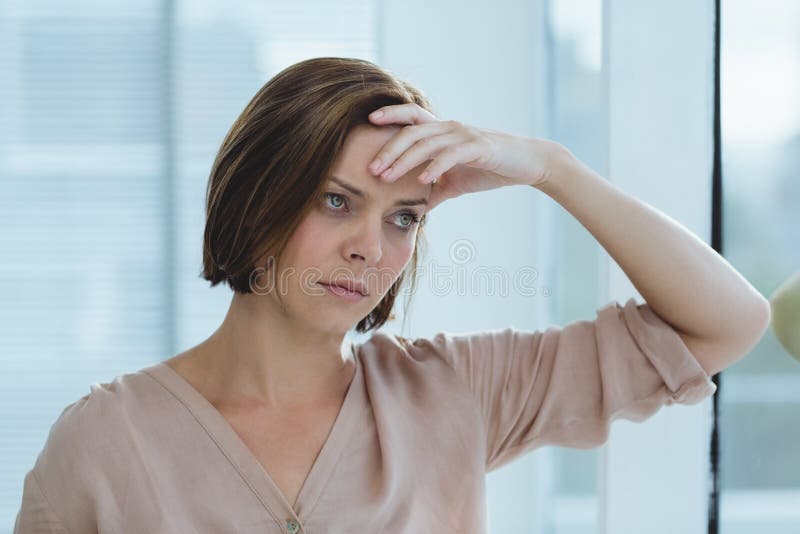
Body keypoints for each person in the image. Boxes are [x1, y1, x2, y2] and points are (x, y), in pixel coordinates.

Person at [14, 56, 770, 533]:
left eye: (403, 218)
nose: (370, 249)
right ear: (256, 200)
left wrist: (553, 168)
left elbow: (728, 323)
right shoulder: (103, 445)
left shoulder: (454, 395)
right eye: (336, 201)